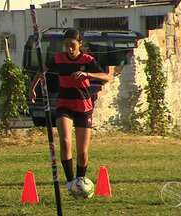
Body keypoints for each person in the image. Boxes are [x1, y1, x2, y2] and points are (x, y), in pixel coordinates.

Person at [29, 28, 112, 196]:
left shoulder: (87, 59)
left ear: (80, 44)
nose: (69, 49)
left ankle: (80, 181)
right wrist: (32, 88)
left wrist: (87, 74)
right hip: (64, 105)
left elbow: (107, 77)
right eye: (66, 45)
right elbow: (41, 71)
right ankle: (69, 183)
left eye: (73, 45)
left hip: (83, 107)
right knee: (65, 142)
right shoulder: (58, 59)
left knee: (82, 153)